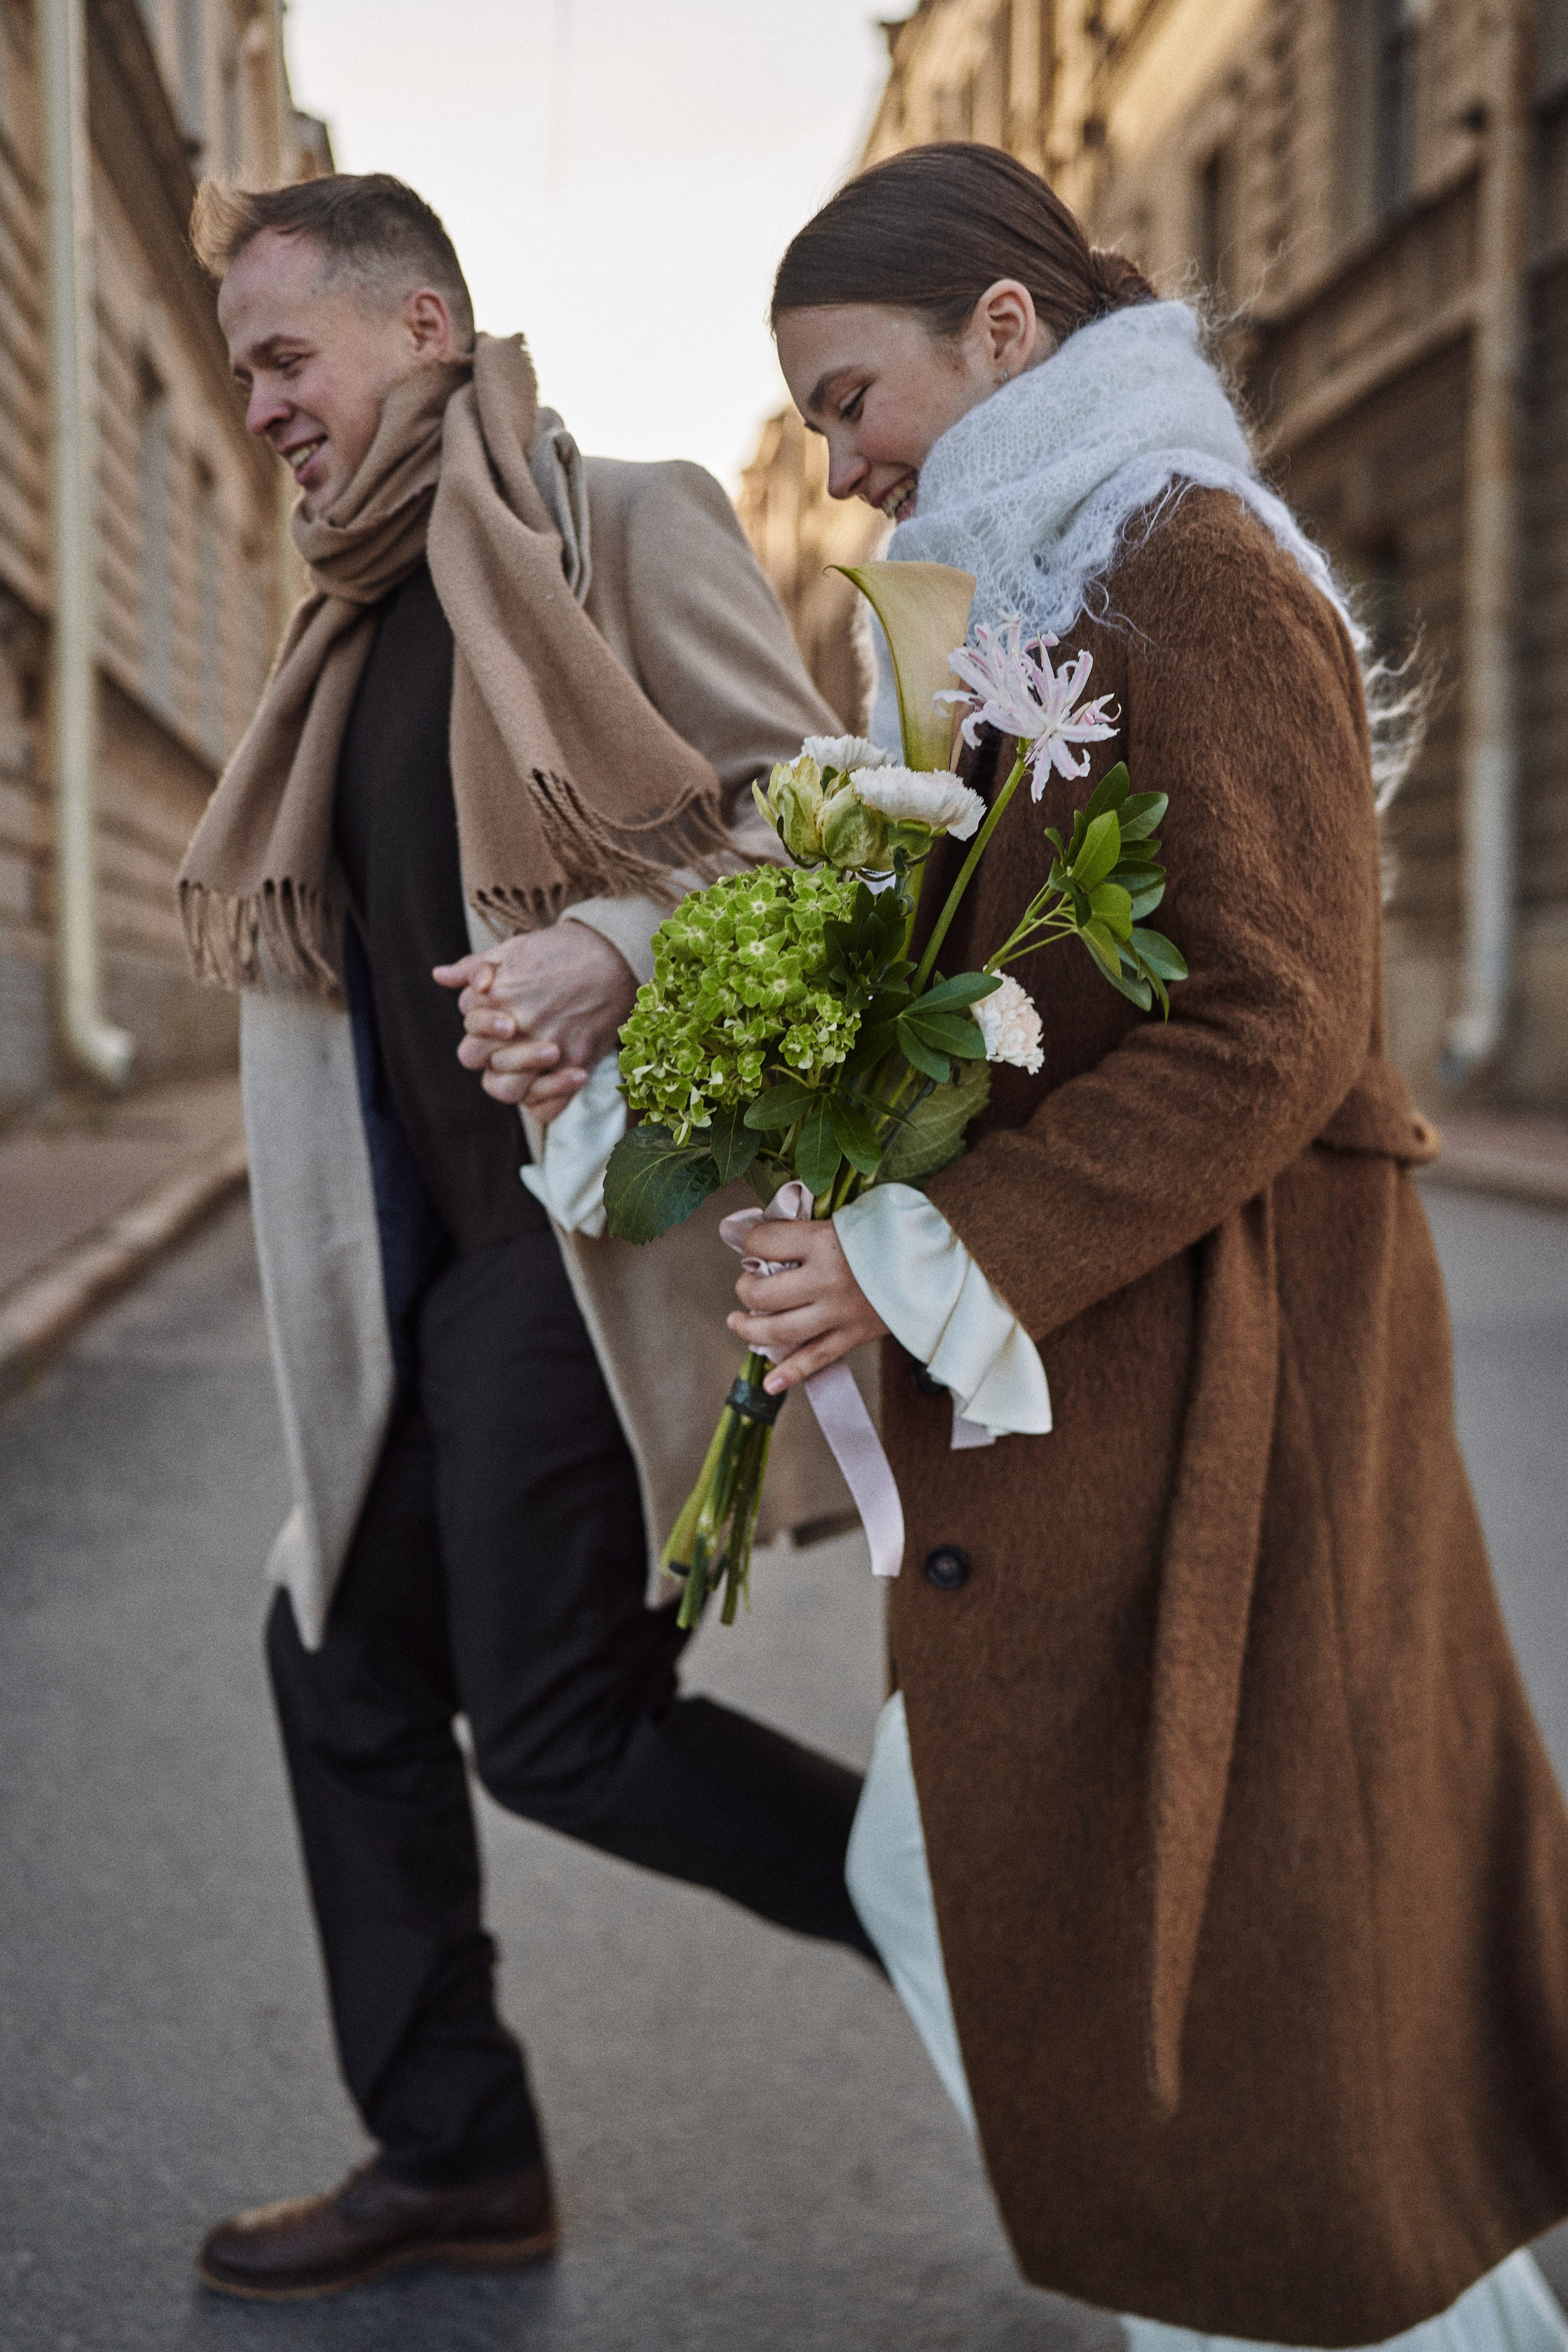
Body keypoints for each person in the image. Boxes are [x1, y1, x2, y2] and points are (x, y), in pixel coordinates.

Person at [729, 142, 1568, 2350]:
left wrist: (930, 1247)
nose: (841, 464)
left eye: (851, 397)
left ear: (1005, 331)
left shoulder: (1185, 561)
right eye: (814, 422)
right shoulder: (1031, 578)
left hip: (1233, 1373)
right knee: (1146, 1930)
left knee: (1265, 1960)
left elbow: (1280, 1018)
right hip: (1119, 1360)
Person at [177, 172, 878, 2302]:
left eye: (284, 359)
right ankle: (457, 2152)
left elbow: (822, 839)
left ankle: (967, 1917)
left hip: (584, 1250)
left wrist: (615, 945)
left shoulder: (622, 524)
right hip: (424, 1267)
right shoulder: (340, 624)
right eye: (240, 376)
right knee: (335, 1655)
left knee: (565, 1731)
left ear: (421, 327)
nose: (260, 408)